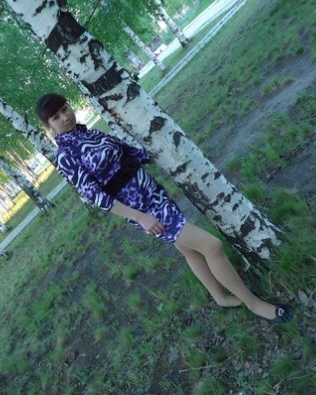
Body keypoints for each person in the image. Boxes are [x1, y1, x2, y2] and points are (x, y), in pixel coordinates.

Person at [36, 93, 291, 322]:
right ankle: (253, 303)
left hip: (154, 193)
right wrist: (140, 218)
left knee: (189, 250)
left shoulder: (90, 134)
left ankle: (220, 297)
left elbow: (129, 152)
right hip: (143, 210)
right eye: (56, 117)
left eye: (65, 109)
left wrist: (164, 148)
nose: (65, 117)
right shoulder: (65, 158)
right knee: (211, 246)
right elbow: (97, 197)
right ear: (49, 127)